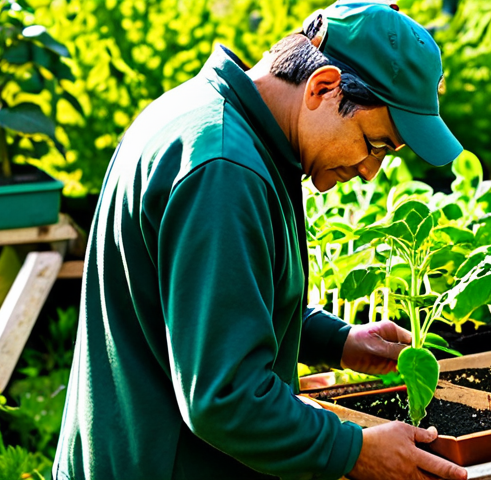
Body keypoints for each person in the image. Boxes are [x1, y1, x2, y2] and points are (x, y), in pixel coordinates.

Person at [53, 1, 467, 479]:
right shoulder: (226, 171)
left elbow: (210, 304)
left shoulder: (202, 116)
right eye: (375, 144)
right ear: (323, 87)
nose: (370, 171)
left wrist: (338, 341)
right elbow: (225, 397)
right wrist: (352, 450)